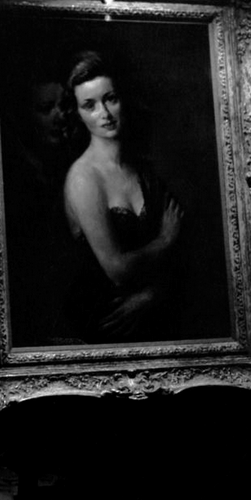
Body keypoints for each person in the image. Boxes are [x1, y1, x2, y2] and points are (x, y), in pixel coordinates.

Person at [62, 50, 184, 343]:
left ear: (122, 99)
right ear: (78, 113)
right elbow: (117, 269)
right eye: (90, 105)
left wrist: (153, 295)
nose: (104, 113)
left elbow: (183, 254)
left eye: (110, 99)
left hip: (152, 317)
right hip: (105, 323)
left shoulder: (144, 171)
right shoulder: (83, 177)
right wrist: (165, 240)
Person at [0, 60, 80, 346]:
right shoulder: (18, 186)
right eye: (46, 109)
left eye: (64, 106)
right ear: (24, 118)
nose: (60, 117)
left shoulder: (67, 166)